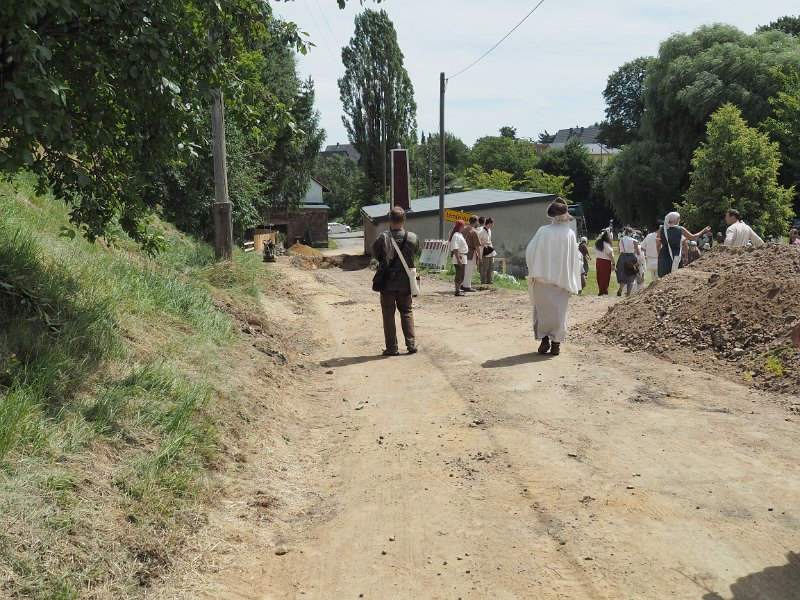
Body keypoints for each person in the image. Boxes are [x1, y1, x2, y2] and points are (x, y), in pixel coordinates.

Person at [525, 198, 582, 356]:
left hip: (542, 278)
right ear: (565, 215)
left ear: (551, 215)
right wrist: (572, 280)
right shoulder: (570, 234)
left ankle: (544, 340)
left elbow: (530, 251)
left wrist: (534, 268)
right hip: (562, 281)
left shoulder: (543, 231)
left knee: (542, 312)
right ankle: (556, 344)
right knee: (560, 313)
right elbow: (574, 259)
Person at [371, 207, 419, 356]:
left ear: (390, 220)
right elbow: (414, 253)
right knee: (407, 311)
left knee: (388, 314)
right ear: (404, 220)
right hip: (406, 282)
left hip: (387, 282)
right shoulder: (412, 237)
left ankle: (392, 348)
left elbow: (375, 255)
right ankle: (411, 344)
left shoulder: (382, 238)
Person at [656, 212, 711, 277]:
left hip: (664, 254)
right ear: (674, 219)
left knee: (664, 276)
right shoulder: (680, 229)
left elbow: (658, 244)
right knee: (674, 275)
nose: (679, 220)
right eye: (678, 218)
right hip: (675, 254)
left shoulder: (661, 229)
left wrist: (659, 255)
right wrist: (703, 231)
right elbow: (693, 237)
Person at [615, 227, 641, 297]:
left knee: (623, 274)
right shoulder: (634, 240)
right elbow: (638, 252)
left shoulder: (621, 239)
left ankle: (620, 288)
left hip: (622, 257)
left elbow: (619, 250)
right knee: (631, 274)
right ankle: (628, 294)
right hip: (631, 257)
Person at [450, 220, 468, 297]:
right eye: (463, 226)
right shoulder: (456, 235)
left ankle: (458, 290)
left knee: (462, 275)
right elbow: (455, 248)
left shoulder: (459, 234)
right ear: (460, 227)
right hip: (459, 256)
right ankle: (457, 291)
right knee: (459, 274)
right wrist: (458, 259)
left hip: (462, 256)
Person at [463, 216, 481, 291]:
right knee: (469, 269)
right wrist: (480, 256)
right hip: (470, 252)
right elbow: (477, 245)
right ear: (476, 222)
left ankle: (462, 284)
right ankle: (467, 286)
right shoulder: (474, 231)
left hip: (463, 251)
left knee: (464, 269)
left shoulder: (464, 228)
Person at [594, 230, 614, 295]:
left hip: (598, 261)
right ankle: (604, 291)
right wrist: (613, 263)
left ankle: (601, 290)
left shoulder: (597, 243)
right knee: (605, 276)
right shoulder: (606, 244)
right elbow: (610, 254)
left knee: (600, 276)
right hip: (605, 261)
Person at [478, 217, 496, 284]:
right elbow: (478, 240)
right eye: (492, 223)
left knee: (491, 266)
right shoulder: (481, 231)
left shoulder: (489, 231)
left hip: (490, 250)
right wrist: (483, 243)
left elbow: (489, 240)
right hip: (484, 251)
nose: (493, 225)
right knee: (485, 267)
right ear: (489, 223)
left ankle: (489, 281)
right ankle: (483, 281)